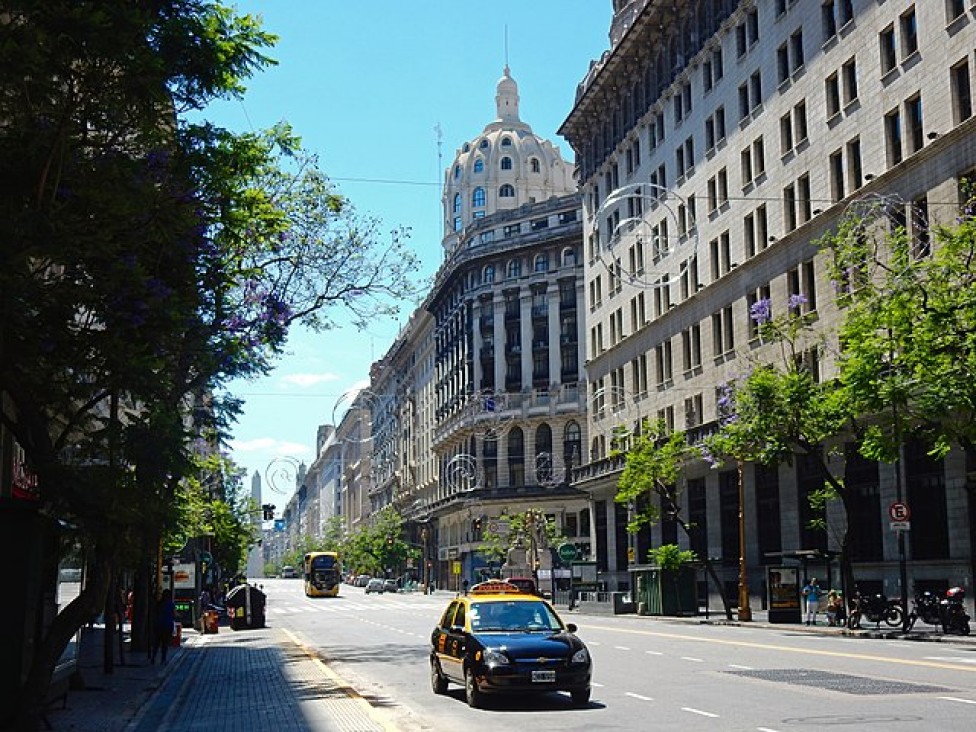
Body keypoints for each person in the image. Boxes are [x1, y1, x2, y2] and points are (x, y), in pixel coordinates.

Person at [150, 589, 176, 664]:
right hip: (167, 626)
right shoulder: (171, 604)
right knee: (165, 643)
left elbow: (155, 614)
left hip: (158, 625)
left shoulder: (159, 604)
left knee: (157, 643)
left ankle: (153, 657)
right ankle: (163, 659)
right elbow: (174, 614)